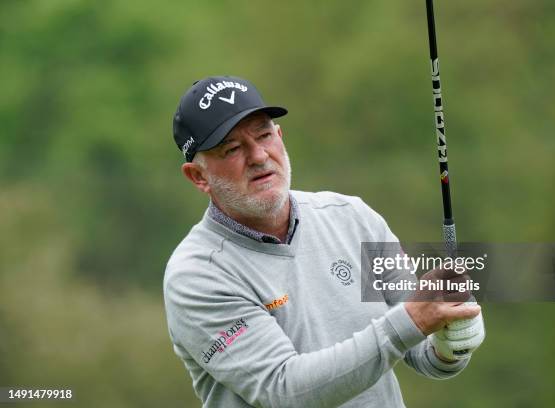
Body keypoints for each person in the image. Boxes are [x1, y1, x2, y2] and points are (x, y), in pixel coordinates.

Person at [163, 75, 485, 408]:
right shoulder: (197, 276)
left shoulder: (352, 217)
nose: (259, 156)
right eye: (232, 149)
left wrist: (450, 341)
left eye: (263, 135)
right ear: (198, 176)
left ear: (280, 136)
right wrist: (415, 319)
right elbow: (285, 389)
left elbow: (421, 351)